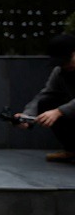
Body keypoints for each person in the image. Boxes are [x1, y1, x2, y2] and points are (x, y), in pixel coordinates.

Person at [14, 34, 75, 164]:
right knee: (47, 102)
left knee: (57, 111)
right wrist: (27, 115)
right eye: (60, 63)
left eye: (66, 61)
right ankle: (72, 150)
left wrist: (59, 111)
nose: (64, 66)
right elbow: (46, 94)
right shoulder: (60, 72)